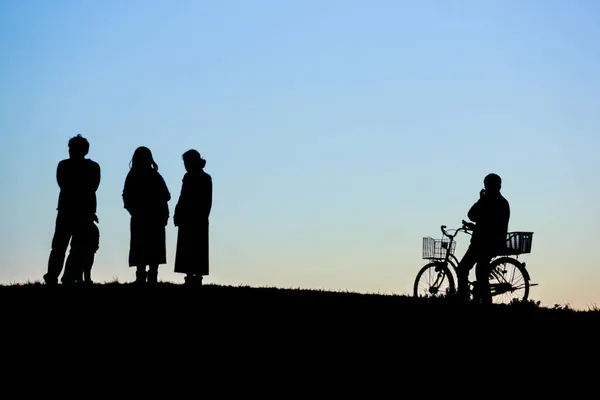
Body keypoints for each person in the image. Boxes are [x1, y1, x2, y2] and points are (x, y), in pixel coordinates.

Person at [44, 134, 101, 285]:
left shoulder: (66, 166)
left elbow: (69, 186)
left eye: (73, 148)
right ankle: (58, 277)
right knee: (63, 247)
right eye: (70, 148)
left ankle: (62, 277)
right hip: (75, 212)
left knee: (70, 248)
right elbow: (90, 187)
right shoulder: (91, 167)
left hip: (74, 212)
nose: (70, 151)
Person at [457, 173, 510, 304]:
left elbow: (472, 215)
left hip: (482, 244)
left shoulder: (488, 201)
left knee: (464, 269)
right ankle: (482, 300)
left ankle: (465, 299)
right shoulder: (503, 203)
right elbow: (487, 222)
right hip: (493, 243)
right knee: (480, 272)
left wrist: (481, 199)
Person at [122, 146, 171, 284]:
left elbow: (166, 195)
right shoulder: (153, 175)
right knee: (148, 246)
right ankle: (149, 276)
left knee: (143, 246)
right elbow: (166, 195)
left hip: (148, 216)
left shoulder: (135, 175)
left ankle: (143, 276)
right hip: (149, 216)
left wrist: (133, 207)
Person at [173, 150, 213, 286]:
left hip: (193, 218)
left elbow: (185, 197)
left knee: (192, 248)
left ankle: (192, 277)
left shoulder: (193, 177)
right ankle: (193, 277)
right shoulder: (202, 177)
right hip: (195, 218)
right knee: (194, 248)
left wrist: (179, 213)